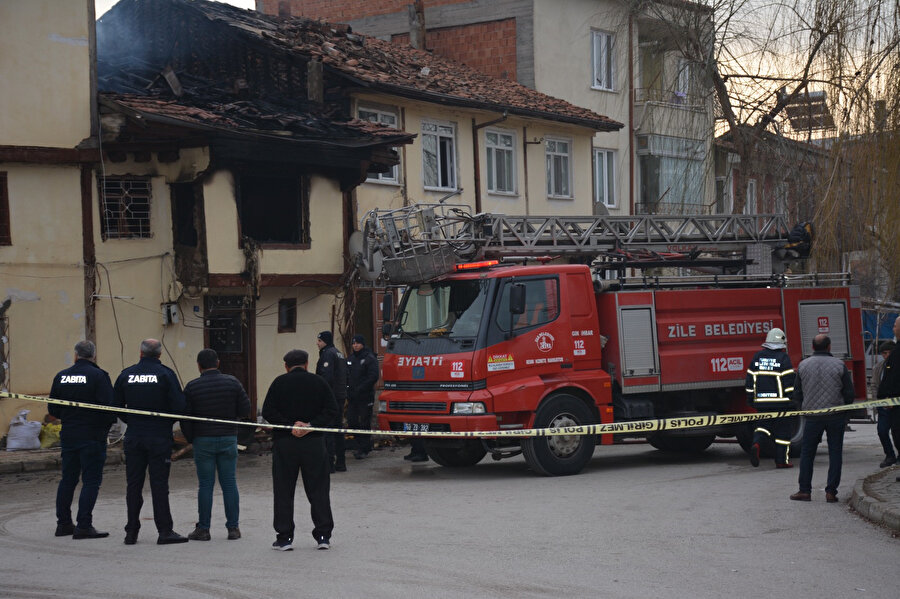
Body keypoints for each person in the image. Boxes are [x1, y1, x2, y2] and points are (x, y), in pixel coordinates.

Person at [113, 338, 188, 545]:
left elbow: (116, 405)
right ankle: (164, 531)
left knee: (133, 485)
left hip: (134, 436)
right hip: (158, 437)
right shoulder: (166, 374)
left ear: (140, 353)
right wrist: (164, 422)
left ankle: (131, 532)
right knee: (159, 485)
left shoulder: (126, 374)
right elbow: (180, 406)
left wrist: (133, 421)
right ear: (159, 354)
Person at [262, 349, 339, 551]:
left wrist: (290, 425)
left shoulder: (279, 383)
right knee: (319, 489)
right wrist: (310, 425)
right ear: (306, 364)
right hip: (313, 443)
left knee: (283, 490)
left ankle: (284, 537)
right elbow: (332, 410)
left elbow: (268, 411)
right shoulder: (319, 382)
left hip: (285, 443)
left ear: (286, 366)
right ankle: (323, 535)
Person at [49, 340, 116, 539]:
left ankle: (63, 524)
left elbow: (53, 408)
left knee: (68, 480)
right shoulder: (99, 376)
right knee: (91, 481)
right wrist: (104, 428)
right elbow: (109, 409)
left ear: (76, 355)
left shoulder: (61, 376)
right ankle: (84, 525)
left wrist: (70, 418)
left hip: (69, 435)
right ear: (93, 356)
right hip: (92, 436)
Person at [181, 349, 251, 542]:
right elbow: (245, 409)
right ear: (218, 363)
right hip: (228, 437)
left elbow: (184, 417)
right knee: (229, 483)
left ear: (198, 365)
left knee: (205, 485)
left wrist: (191, 438)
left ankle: (203, 529)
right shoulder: (232, 382)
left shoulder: (192, 387)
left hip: (203, 439)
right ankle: (233, 528)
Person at [790, 334, 855, 503]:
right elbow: (849, 394)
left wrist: (806, 405)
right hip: (835, 416)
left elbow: (796, 393)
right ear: (829, 347)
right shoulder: (839, 365)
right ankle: (831, 492)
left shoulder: (803, 366)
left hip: (812, 417)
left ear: (812, 348)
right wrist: (843, 409)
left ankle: (804, 490)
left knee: (807, 454)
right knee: (835, 453)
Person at [745, 328, 796, 468]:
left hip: (761, 402)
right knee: (782, 433)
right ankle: (781, 461)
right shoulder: (783, 358)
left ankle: (756, 443)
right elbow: (789, 382)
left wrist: (750, 399)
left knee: (762, 427)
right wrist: (792, 398)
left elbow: (749, 380)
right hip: (781, 403)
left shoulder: (757, 357)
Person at [316, 330, 347, 472]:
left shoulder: (328, 354)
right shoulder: (339, 353)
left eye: (319, 341)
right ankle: (341, 462)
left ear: (325, 342)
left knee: (328, 429)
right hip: (340, 395)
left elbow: (326, 377)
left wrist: (320, 394)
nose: (317, 343)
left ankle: (329, 464)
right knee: (338, 428)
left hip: (331, 396)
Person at [347, 334, 379, 459]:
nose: (355, 345)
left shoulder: (369, 358)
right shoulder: (350, 359)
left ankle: (364, 448)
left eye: (357, 343)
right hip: (353, 397)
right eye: (354, 343)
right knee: (352, 421)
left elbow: (373, 377)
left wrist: (360, 388)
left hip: (365, 396)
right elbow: (346, 375)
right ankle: (360, 444)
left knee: (364, 422)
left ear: (362, 344)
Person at [876, 316, 900, 482]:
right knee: (888, 432)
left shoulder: (897, 353)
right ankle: (891, 456)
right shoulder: (894, 354)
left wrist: (890, 397)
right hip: (889, 404)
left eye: (895, 325)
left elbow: (895, 378)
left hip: (894, 403)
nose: (893, 329)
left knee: (898, 433)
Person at [871, 340, 898, 467]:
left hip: (896, 406)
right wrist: (878, 402)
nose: (886, 355)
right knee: (882, 431)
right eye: (884, 353)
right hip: (883, 407)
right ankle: (889, 455)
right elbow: (875, 385)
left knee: (896, 432)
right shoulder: (878, 367)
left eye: (889, 352)